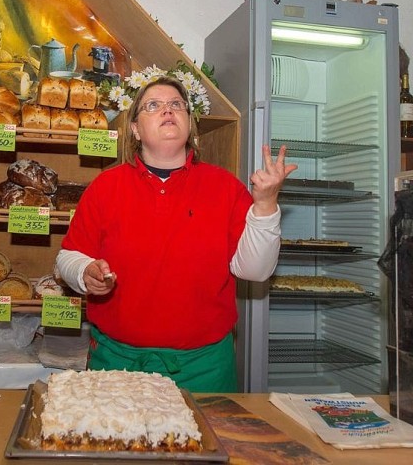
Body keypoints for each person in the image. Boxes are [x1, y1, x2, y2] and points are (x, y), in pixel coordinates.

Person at [55, 75, 297, 392]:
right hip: (117, 365)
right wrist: (83, 272)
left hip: (203, 369)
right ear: (135, 129)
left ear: (189, 124)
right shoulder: (106, 187)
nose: (168, 111)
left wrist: (265, 204)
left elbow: (255, 270)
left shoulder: (224, 187)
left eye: (176, 105)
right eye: (153, 105)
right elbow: (67, 257)